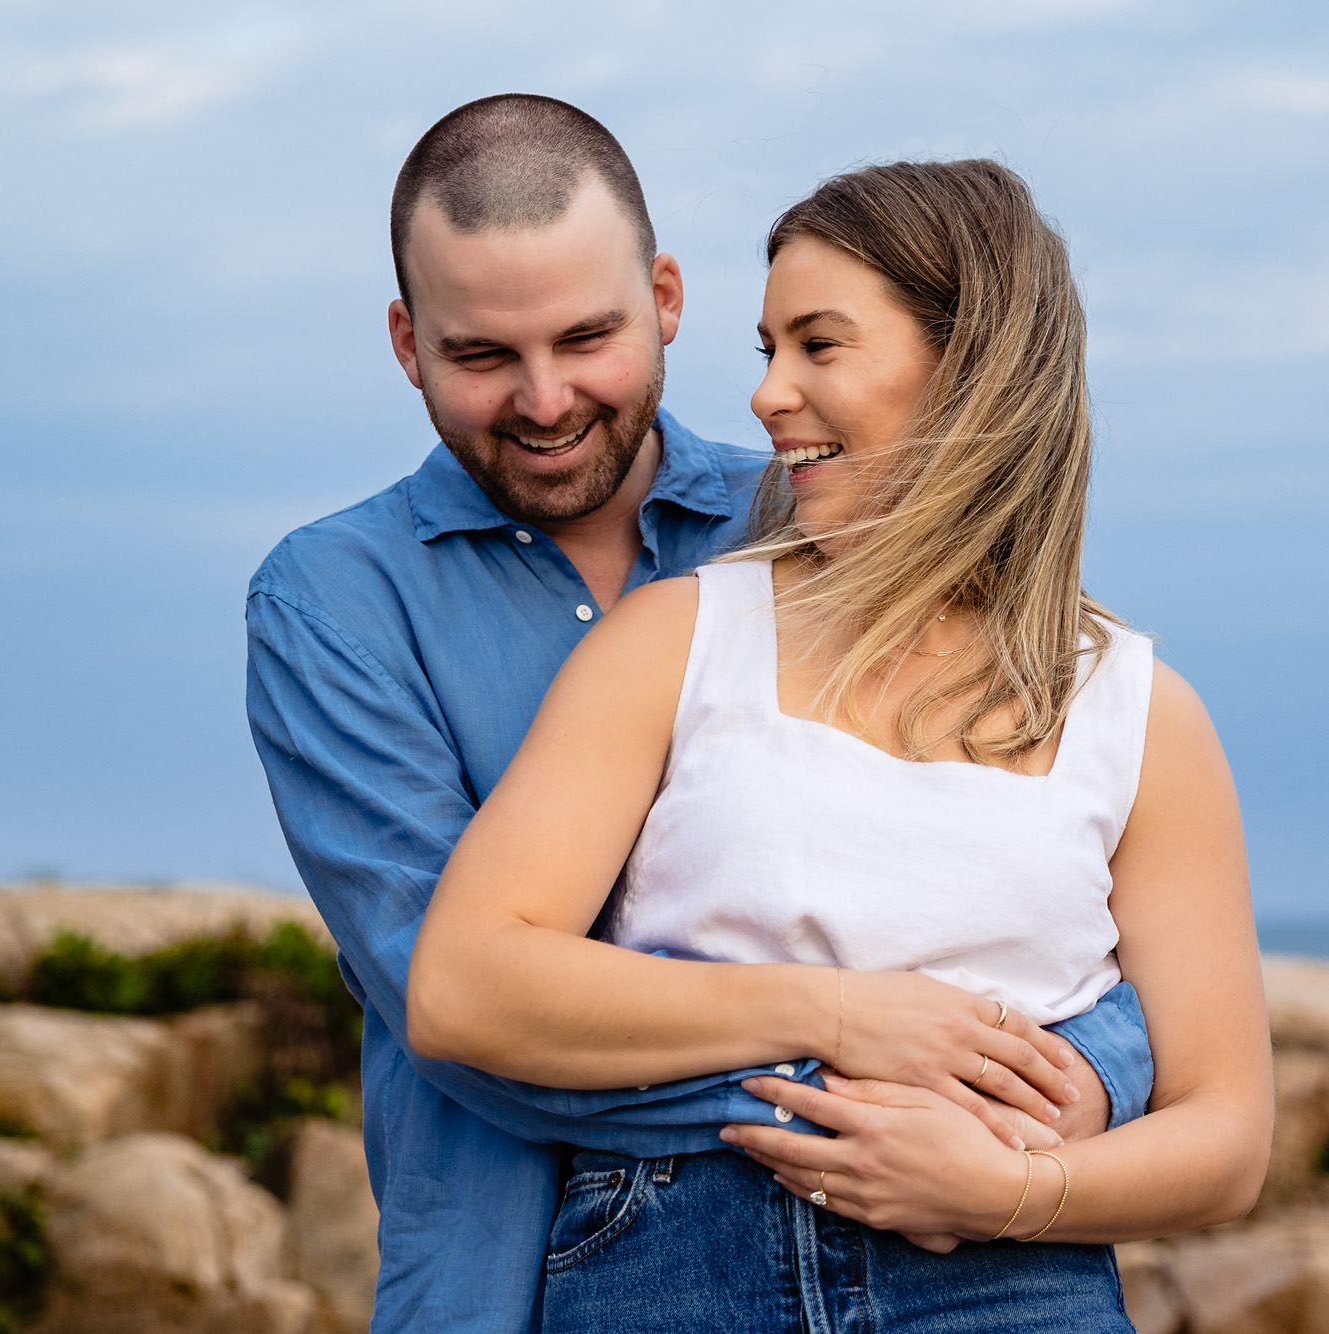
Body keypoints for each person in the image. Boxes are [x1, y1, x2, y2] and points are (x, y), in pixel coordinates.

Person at [246, 95, 1157, 1334]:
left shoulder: (828, 514)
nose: (545, 396)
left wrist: (1058, 1092)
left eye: (588, 336)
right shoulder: (331, 602)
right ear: (407, 342)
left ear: (666, 298)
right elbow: (459, 1013)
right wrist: (859, 1058)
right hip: (495, 1277)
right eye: (479, 357)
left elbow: (1037, 887)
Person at [408, 159, 1273, 1331]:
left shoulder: (1135, 710)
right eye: (767, 350)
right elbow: (467, 984)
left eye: (817, 346)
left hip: (1006, 1288)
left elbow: (1226, 1134)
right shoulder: (677, 638)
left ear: (969, 367)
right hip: (674, 1267)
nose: (767, 395)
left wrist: (1010, 1188)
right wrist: (837, 1013)